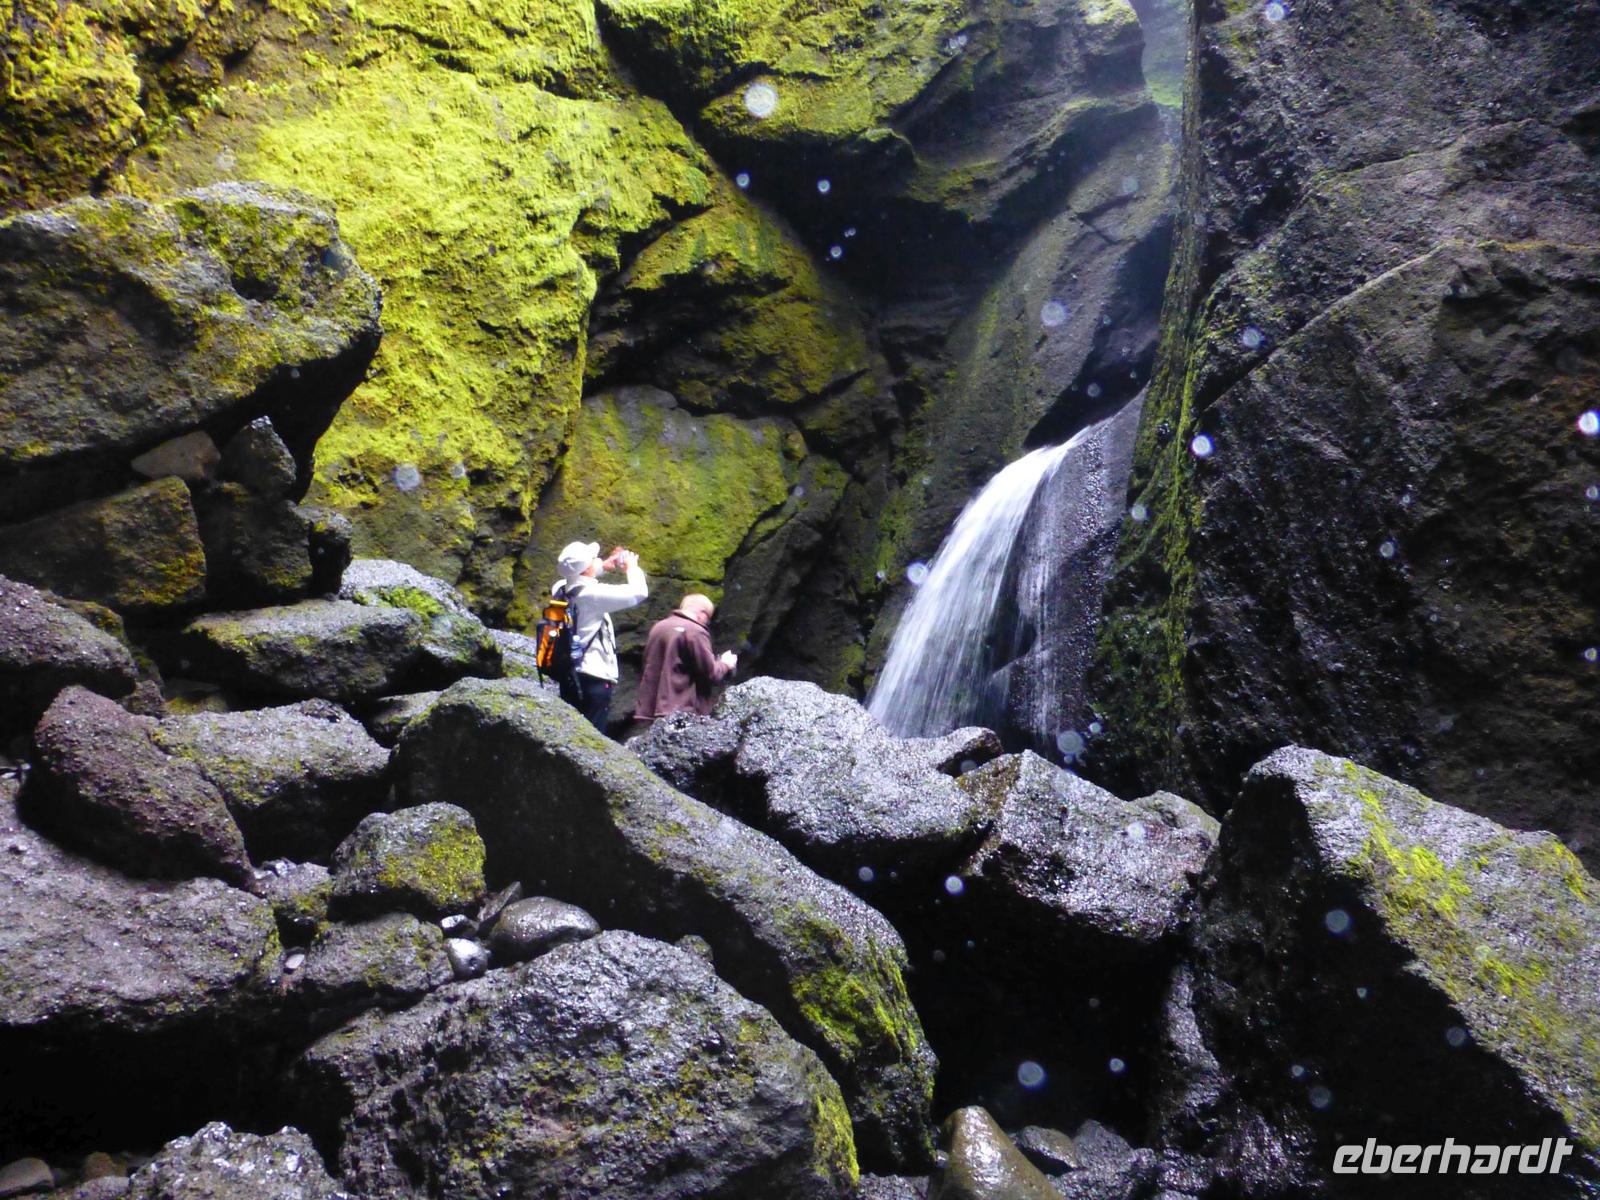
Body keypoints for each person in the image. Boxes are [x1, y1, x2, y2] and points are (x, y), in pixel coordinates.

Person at [553, 540, 647, 731]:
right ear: (586, 570)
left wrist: (605, 565)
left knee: (572, 731)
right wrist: (632, 567)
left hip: (570, 673)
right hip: (594, 677)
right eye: (593, 560)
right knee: (592, 735)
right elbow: (639, 593)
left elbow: (578, 576)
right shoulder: (592, 595)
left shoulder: (560, 589)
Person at [630, 593, 737, 733]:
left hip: (651, 708)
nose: (706, 623)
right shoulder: (695, 631)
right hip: (681, 710)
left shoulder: (659, 627)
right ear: (702, 614)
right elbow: (711, 672)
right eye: (708, 619)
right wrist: (725, 663)